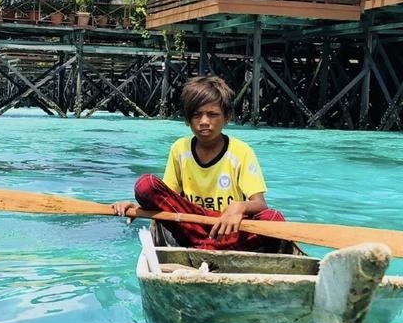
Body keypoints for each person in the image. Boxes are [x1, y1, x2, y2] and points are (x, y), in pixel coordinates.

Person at [112, 76, 285, 251]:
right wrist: (138, 208)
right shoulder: (180, 149)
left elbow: (261, 204)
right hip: (190, 225)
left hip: (227, 229)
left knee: (273, 218)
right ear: (187, 119)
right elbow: (167, 199)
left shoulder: (241, 151)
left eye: (212, 114)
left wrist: (239, 207)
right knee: (145, 184)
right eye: (196, 115)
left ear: (227, 118)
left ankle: (204, 247)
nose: (204, 121)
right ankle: (210, 247)